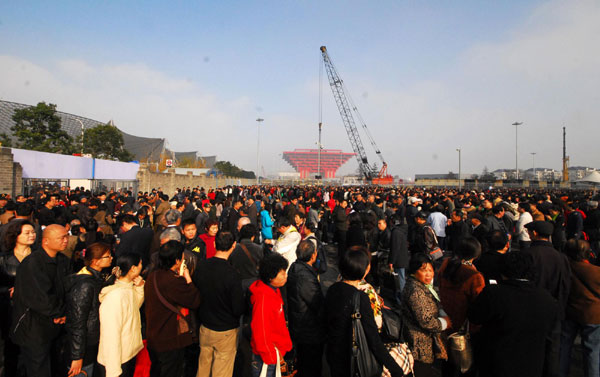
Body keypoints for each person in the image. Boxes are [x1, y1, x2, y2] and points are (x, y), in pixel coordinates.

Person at [468, 252, 558, 377]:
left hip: (496, 362)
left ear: (503, 270)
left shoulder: (494, 294)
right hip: (533, 364)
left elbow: (474, 316)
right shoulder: (546, 298)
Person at [326, 247, 405, 377]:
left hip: (334, 353)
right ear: (364, 270)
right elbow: (373, 337)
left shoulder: (333, 289)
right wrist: (395, 368)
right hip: (353, 357)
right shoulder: (360, 296)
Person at [10, 224, 71, 377]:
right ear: (46, 241)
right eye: (61, 238)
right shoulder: (33, 263)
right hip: (34, 327)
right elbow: (39, 296)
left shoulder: (63, 261)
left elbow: (68, 287)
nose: (65, 241)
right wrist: (58, 313)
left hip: (55, 327)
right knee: (38, 368)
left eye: (66, 236)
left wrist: (65, 312)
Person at [145, 241, 202, 377]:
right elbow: (194, 300)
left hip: (154, 336)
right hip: (169, 340)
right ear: (177, 260)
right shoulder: (173, 281)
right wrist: (187, 278)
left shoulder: (153, 276)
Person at [522, 221, 571, 377]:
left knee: (530, 348)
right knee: (552, 349)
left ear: (535, 233)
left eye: (530, 231)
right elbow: (565, 285)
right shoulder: (561, 257)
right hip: (554, 308)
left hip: (530, 308)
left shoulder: (528, 255)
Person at [193, 231, 244, 377]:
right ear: (234, 246)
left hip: (205, 327)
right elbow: (238, 307)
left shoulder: (201, 266)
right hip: (225, 331)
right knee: (221, 371)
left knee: (203, 367)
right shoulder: (232, 274)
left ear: (215, 244)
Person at [66, 242, 114, 377]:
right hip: (85, 344)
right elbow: (78, 321)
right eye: (107, 256)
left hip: (92, 340)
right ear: (95, 261)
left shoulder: (95, 278)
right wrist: (77, 356)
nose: (111, 258)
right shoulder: (85, 284)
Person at [97, 252, 145, 377]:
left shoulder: (127, 288)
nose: (142, 266)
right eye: (140, 263)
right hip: (117, 361)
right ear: (133, 268)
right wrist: (113, 371)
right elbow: (110, 336)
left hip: (127, 355)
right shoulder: (115, 297)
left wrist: (139, 287)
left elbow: (134, 308)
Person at [402, 253, 449, 377]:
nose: (428, 274)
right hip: (418, 345)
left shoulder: (421, 285)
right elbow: (426, 320)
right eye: (423, 270)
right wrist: (445, 323)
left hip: (423, 343)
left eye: (430, 270)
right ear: (414, 271)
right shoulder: (416, 290)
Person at [0, 219, 36, 376]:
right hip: (10, 309)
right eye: (27, 233)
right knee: (11, 349)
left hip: (34, 309)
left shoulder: (38, 256)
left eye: (33, 232)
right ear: (15, 235)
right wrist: (8, 291)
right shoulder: (3, 259)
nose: (32, 235)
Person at [559, 239, 600, 377]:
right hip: (593, 315)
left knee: (564, 346)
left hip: (570, 311)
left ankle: (561, 372)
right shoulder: (595, 272)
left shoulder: (565, 268)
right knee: (592, 351)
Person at [249, 253, 293, 377]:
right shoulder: (264, 297)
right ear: (270, 277)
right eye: (282, 273)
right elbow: (260, 330)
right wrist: (271, 357)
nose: (286, 276)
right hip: (267, 356)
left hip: (275, 351)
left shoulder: (274, 290)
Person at [286, 240, 325, 377]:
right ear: (313, 255)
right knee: (310, 366)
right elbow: (316, 302)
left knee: (304, 362)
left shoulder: (295, 268)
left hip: (299, 325)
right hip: (308, 328)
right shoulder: (305, 276)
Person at [438, 237, 485, 333]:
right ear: (476, 254)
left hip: (445, 314)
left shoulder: (447, 263)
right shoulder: (474, 275)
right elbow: (479, 301)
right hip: (463, 320)